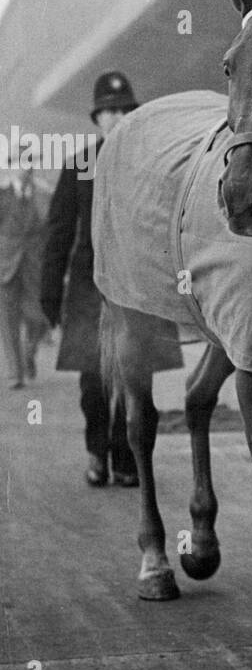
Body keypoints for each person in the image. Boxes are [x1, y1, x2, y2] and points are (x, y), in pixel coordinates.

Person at [41, 71, 182, 486]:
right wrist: (50, 295)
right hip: (90, 288)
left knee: (139, 378)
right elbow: (58, 232)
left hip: (140, 287)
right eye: (109, 111)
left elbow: (169, 226)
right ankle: (96, 453)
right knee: (94, 381)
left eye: (124, 110)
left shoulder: (153, 163)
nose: (117, 117)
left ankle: (127, 460)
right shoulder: (80, 164)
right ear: (96, 117)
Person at [0, 163, 47, 389]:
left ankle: (30, 350)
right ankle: (14, 374)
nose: (25, 171)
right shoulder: (2, 195)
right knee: (8, 323)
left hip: (35, 268)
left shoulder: (43, 195)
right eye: (20, 165)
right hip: (5, 268)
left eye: (29, 166)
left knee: (39, 317)